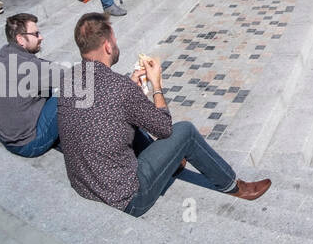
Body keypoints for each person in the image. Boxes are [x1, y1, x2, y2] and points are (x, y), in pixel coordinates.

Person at [56, 11, 271, 216]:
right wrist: (156, 84)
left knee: (126, 120)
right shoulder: (120, 88)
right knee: (184, 132)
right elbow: (164, 128)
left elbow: (105, 107)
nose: (116, 44)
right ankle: (232, 185)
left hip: (84, 185)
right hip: (126, 198)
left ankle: (172, 162)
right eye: (115, 40)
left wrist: (131, 86)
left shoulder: (69, 79)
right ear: (107, 46)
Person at [0, 13, 60, 157]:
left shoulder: (5, 55)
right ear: (21, 39)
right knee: (72, 92)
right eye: (36, 34)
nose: (41, 37)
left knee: (47, 89)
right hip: (28, 144)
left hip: (8, 137)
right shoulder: (30, 67)